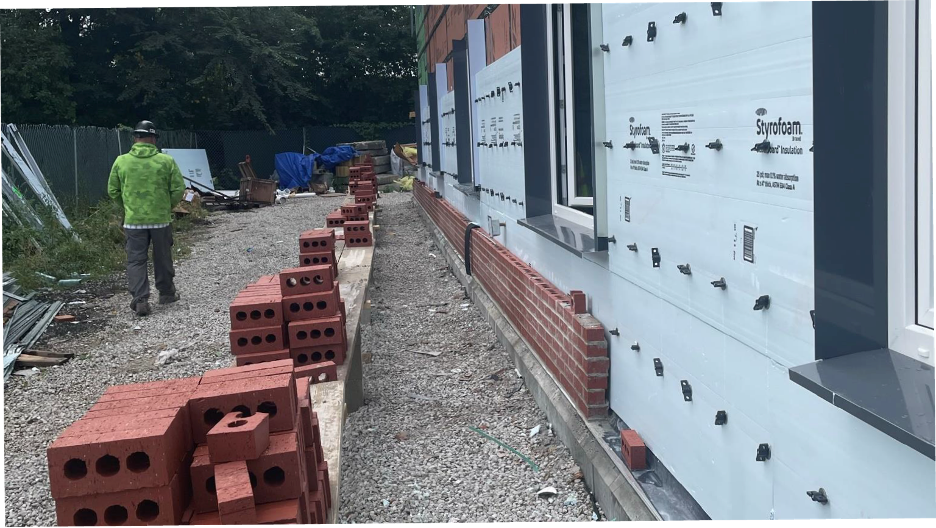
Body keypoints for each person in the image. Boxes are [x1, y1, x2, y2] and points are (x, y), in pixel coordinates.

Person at [107, 120, 185, 316]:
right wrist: (166, 206)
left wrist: (127, 206)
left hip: (134, 221)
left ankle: (140, 299)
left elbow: (113, 190)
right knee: (162, 257)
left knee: (135, 260)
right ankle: (166, 294)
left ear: (135, 138)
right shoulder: (165, 161)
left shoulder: (121, 161)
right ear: (153, 138)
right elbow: (178, 189)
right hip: (160, 220)